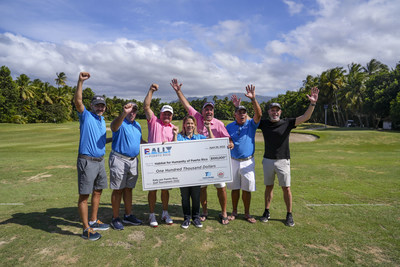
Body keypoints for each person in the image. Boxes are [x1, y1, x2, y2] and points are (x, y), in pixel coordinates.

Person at [171, 78, 233, 225]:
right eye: (206, 109)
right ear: (203, 111)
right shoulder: (196, 117)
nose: (208, 111)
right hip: (200, 162)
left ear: (213, 111)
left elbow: (227, 140)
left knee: (221, 187)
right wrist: (178, 91)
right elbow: (186, 105)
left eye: (211, 109)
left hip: (216, 161)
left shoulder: (218, 124)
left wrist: (230, 144)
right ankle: (204, 212)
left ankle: (224, 212)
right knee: (202, 188)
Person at [258, 87, 319, 227]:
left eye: (277, 110)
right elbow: (249, 120)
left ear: (280, 112)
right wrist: (238, 106)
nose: (275, 112)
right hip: (267, 160)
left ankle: (289, 214)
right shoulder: (264, 124)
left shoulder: (287, 122)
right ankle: (266, 211)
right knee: (269, 187)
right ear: (269, 112)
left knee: (286, 188)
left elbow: (305, 117)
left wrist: (312, 103)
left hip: (283, 160)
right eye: (272, 110)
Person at [74, 72, 110, 241]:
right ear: (92, 105)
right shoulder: (86, 115)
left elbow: (101, 140)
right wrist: (80, 81)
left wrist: (114, 138)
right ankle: (86, 228)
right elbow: (78, 102)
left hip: (99, 161)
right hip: (87, 161)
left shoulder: (102, 121)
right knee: (84, 195)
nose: (100, 108)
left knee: (98, 191)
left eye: (102, 105)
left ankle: (93, 220)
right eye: (97, 105)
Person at [226, 85, 262, 224]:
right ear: (235, 115)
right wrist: (229, 140)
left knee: (247, 189)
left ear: (246, 114)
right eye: (239, 112)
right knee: (234, 188)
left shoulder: (251, 124)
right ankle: (234, 211)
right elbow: (226, 137)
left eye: (244, 113)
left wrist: (253, 99)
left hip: (248, 161)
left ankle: (247, 213)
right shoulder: (229, 126)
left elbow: (258, 114)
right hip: (233, 160)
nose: (242, 114)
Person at [172, 115, 214, 229]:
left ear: (195, 125)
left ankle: (195, 217)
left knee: (196, 197)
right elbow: (174, 148)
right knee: (185, 197)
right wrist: (175, 135)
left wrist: (209, 128)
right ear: (184, 125)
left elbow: (213, 143)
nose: (190, 125)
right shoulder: (180, 137)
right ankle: (186, 218)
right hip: (183, 173)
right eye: (187, 123)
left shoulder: (199, 137)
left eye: (192, 123)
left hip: (196, 173)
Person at [109, 102, 145, 230]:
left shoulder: (137, 125)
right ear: (125, 110)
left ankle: (128, 215)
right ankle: (115, 218)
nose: (132, 113)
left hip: (133, 161)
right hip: (119, 159)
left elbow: (141, 142)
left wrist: (156, 146)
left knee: (129, 189)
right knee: (118, 189)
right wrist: (123, 114)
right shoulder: (120, 122)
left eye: (134, 111)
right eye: (129, 110)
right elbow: (113, 127)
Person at [144, 83, 175, 227]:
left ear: (172, 116)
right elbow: (146, 107)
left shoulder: (173, 128)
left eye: (169, 114)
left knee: (165, 189)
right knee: (152, 189)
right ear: (160, 114)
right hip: (152, 161)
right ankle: (151, 215)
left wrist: (175, 136)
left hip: (166, 163)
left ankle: (164, 212)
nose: (167, 116)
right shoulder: (154, 122)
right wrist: (151, 90)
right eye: (165, 113)